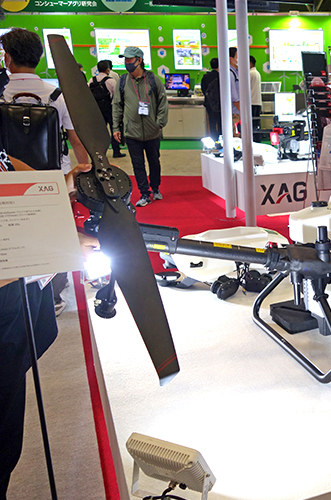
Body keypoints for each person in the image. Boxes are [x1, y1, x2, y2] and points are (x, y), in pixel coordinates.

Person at [0, 150, 96, 498]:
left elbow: (14, 172)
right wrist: (55, 248)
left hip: (14, 312)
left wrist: (63, 185)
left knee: (7, 431)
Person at [0, 28, 90, 174]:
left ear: (7, 58)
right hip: (55, 173)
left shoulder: (2, 93)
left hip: (9, 174)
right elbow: (76, 141)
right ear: (39, 57)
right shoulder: (58, 96)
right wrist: (85, 170)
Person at [112, 46, 169, 207]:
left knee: (154, 162)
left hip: (152, 132)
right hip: (132, 132)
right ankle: (144, 193)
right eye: (125, 59)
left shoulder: (153, 79)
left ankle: (155, 187)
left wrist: (159, 124)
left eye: (130, 59)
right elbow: (117, 105)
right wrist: (116, 128)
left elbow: (163, 103)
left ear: (139, 60)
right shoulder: (122, 81)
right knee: (138, 165)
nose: (127, 62)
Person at [91, 60, 125, 158]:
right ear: (107, 70)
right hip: (110, 108)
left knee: (100, 131)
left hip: (98, 109)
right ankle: (116, 151)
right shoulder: (111, 81)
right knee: (115, 129)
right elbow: (117, 95)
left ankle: (99, 152)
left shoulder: (91, 80)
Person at [201, 57, 220, 139]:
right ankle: (222, 139)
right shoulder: (221, 76)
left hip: (209, 103)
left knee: (211, 122)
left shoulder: (205, 76)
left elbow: (203, 89)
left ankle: (214, 139)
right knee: (220, 122)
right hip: (220, 103)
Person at [229, 47, 241, 135]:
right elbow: (234, 96)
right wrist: (241, 111)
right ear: (231, 58)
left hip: (236, 111)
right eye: (237, 56)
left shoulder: (236, 72)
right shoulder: (230, 73)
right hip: (234, 112)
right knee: (236, 136)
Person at [249, 55, 262, 137]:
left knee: (252, 123)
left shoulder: (250, 73)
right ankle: (257, 139)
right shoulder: (256, 73)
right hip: (257, 101)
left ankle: (254, 139)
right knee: (256, 123)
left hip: (251, 101)